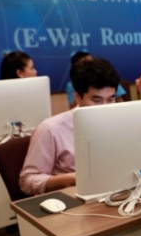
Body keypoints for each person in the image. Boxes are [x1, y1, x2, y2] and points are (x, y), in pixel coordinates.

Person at [19, 57, 119, 195]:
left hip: (113, 192)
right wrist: (71, 179)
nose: (104, 107)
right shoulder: (51, 129)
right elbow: (27, 181)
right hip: (72, 202)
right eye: (96, 100)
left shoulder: (121, 122)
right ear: (77, 97)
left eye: (111, 99)